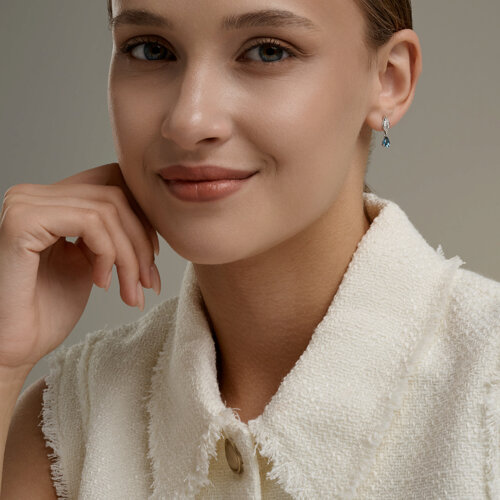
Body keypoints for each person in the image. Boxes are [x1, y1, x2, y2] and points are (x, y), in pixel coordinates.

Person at [1, 0, 499, 498]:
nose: (190, 120)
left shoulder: (487, 392)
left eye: (267, 51)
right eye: (150, 49)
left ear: (388, 79)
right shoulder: (68, 428)